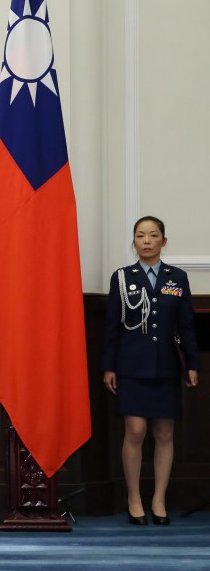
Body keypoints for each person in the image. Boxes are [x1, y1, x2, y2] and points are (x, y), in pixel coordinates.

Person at [102, 216, 200, 526]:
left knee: (164, 433)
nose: (147, 241)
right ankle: (134, 498)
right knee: (135, 431)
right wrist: (109, 366)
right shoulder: (122, 277)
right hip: (131, 366)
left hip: (167, 366)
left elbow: (186, 325)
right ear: (134, 241)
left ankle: (159, 499)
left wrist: (193, 363)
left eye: (153, 235)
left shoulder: (177, 278)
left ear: (163, 241)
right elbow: (112, 327)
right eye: (141, 235)